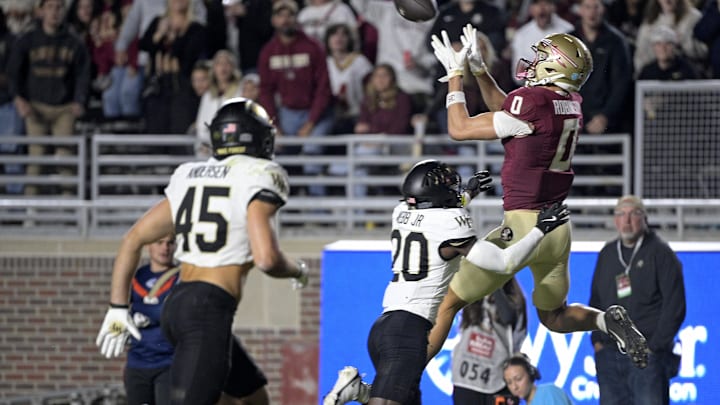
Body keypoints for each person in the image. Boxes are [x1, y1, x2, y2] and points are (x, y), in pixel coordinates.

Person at [425, 25, 650, 372]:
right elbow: (509, 111)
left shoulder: (531, 102)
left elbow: (460, 128)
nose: (533, 62)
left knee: (446, 302)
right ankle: (605, 321)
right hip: (557, 228)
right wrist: (481, 71)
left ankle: (400, 379)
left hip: (522, 225)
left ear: (556, 66)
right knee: (554, 315)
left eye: (542, 57)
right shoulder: (570, 101)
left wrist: (456, 75)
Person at [95, 97, 309, 405]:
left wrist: (118, 306)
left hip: (178, 304)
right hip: (208, 310)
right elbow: (266, 258)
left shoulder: (189, 175)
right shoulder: (260, 174)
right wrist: (297, 269)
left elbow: (132, 239)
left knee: (253, 397)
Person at [323, 159, 571, 405]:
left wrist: (469, 193)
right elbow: (505, 262)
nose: (454, 191)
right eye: (448, 186)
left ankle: (360, 391)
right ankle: (356, 387)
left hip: (383, 327)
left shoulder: (401, 211)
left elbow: (434, 210)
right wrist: (540, 230)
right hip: (409, 332)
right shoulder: (450, 224)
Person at [589, 195, 686, 405]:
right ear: (615, 220)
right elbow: (595, 301)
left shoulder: (660, 253)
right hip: (610, 355)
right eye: (621, 214)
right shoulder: (607, 254)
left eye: (634, 214)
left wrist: (654, 347)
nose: (627, 220)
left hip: (647, 356)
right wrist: (598, 342)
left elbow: (675, 306)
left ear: (644, 218)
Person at [7, 0, 91, 196]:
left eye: (59, 7)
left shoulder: (73, 41)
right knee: (36, 160)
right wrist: (19, 99)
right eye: (50, 7)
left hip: (64, 108)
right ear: (41, 11)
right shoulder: (27, 40)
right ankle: (31, 215)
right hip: (35, 107)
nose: (55, 12)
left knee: (66, 160)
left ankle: (71, 209)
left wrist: (80, 100)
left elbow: (83, 73)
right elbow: (13, 73)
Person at [451, 277, 528, 405]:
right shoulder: (472, 294)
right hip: (465, 380)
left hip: (498, 380)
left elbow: (508, 317)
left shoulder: (515, 299)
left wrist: (494, 283)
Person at [124, 234, 179, 405]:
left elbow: (171, 311)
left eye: (170, 243)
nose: (165, 248)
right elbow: (120, 314)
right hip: (137, 361)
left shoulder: (180, 277)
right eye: (160, 242)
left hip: (167, 362)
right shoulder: (138, 276)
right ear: (149, 245)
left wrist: (146, 313)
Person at [502, 353, 572, 405]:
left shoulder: (549, 392)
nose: (514, 387)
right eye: (509, 382)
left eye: (518, 379)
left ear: (530, 374)